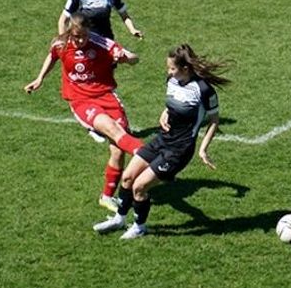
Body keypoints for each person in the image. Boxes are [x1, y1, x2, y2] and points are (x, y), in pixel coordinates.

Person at [92, 44, 229, 239]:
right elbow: (172, 103)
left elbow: (214, 121)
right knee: (128, 177)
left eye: (172, 68)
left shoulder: (204, 90)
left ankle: (140, 227)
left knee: (139, 186)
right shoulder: (172, 81)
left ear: (185, 68)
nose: (169, 72)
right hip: (162, 139)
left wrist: (203, 149)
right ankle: (119, 218)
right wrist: (165, 113)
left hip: (179, 150)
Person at [24, 12, 145, 211]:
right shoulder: (61, 44)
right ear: (70, 32)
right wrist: (40, 79)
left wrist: (127, 58)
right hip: (81, 100)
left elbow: (133, 58)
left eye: (84, 36)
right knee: (115, 131)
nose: (81, 40)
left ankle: (106, 197)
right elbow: (52, 56)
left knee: (117, 148)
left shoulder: (102, 44)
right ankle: (149, 154)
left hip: (107, 96)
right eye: (77, 36)